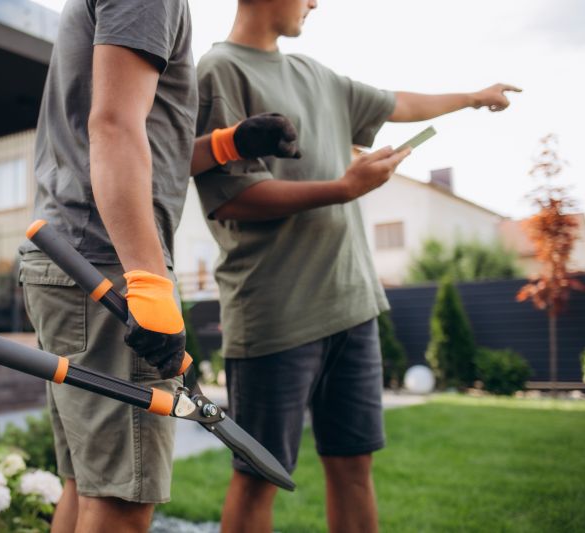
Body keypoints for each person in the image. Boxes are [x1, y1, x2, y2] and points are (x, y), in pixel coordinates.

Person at [193, 1, 521, 532]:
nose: (315, 3)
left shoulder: (315, 74)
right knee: (258, 475)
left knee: (353, 466)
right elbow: (230, 198)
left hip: (353, 305)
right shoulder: (218, 72)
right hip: (276, 313)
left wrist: (471, 98)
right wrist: (344, 189)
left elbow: (396, 102)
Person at [17, 1, 300, 531]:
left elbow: (131, 134)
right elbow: (114, 127)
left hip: (79, 254)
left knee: (88, 484)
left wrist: (225, 144)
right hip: (105, 262)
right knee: (121, 502)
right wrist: (148, 280)